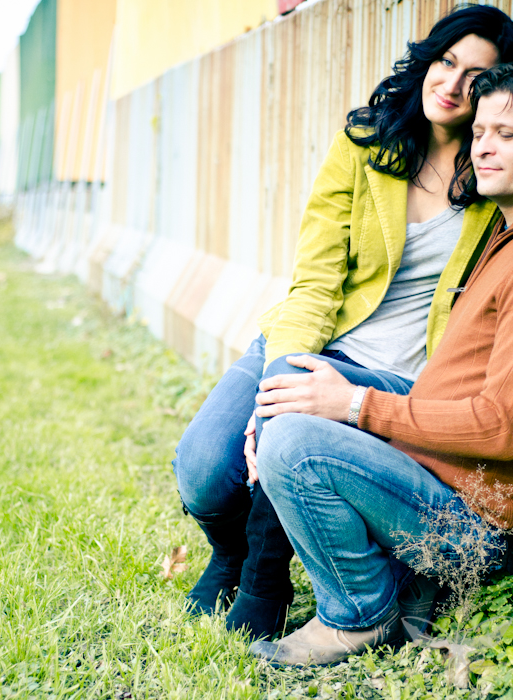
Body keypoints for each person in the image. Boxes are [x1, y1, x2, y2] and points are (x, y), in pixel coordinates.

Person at [173, 6, 513, 640]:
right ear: (427, 61)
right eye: (445, 62)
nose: (451, 83)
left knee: (285, 427)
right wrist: (275, 382)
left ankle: (264, 582)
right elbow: (315, 281)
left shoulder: (491, 176)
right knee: (202, 471)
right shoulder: (364, 147)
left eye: (474, 75)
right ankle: (232, 552)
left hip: (397, 374)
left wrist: (286, 408)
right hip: (313, 337)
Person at [250, 63, 513, 666]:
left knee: (293, 443)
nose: (484, 147)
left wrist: (355, 406)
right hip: (435, 484)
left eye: (508, 134)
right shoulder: (497, 237)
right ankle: (401, 584)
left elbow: (501, 425)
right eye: (480, 132)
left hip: (473, 527)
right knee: (293, 407)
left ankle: (359, 614)